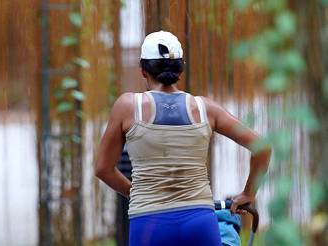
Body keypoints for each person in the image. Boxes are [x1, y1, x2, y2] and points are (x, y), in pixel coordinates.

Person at [94, 31, 271, 246]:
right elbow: (262, 148)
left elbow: (103, 168)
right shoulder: (206, 109)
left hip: (149, 223)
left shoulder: (128, 107)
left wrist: (139, 193)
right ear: (180, 69)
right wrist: (248, 193)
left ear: (142, 69)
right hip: (200, 224)